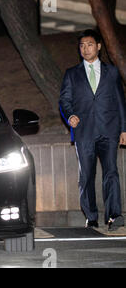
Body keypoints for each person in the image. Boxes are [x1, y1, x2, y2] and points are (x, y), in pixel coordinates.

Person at [59, 29, 126, 231]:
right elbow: (64, 100)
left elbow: (120, 102)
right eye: (82, 45)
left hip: (109, 130)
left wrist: (124, 128)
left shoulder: (112, 72)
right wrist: (70, 115)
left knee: (111, 172)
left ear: (98, 46)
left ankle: (114, 215)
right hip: (84, 131)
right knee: (86, 175)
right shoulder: (72, 73)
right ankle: (91, 216)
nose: (85, 49)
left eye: (89, 44)